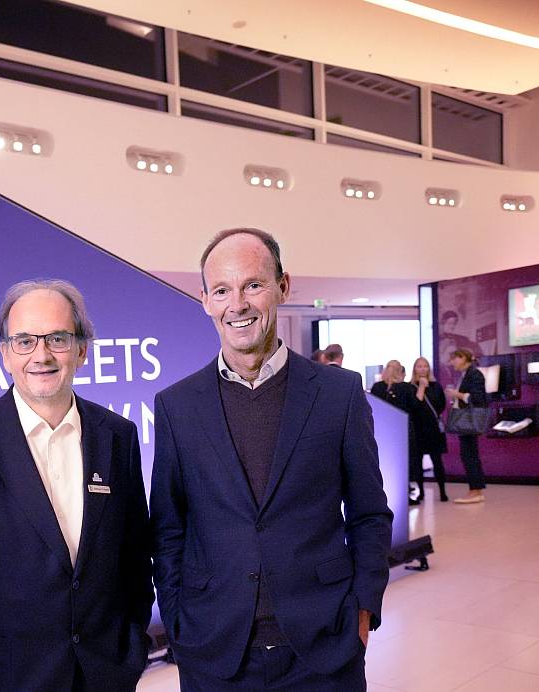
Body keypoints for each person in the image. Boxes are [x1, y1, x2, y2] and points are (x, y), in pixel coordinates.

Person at [150, 228, 392, 691]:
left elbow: (369, 513)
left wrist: (364, 608)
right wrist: (178, 622)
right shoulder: (176, 406)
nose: (237, 304)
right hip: (216, 650)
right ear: (205, 300)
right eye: (222, 290)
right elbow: (168, 528)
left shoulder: (338, 394)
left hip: (323, 647)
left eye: (253, 285)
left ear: (283, 286)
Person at [0, 279, 153, 692]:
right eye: (24, 341)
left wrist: (129, 654)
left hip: (104, 679)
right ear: (5, 354)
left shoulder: (118, 436)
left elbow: (133, 561)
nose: (41, 355)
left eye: (57, 338)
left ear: (82, 350)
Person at [404, 357, 449, 504]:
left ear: (428, 369)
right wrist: (422, 387)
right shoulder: (410, 387)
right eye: (419, 366)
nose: (422, 369)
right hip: (417, 429)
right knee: (418, 463)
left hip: (433, 429)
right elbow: (415, 406)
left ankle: (443, 491)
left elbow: (441, 405)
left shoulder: (436, 386)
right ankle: (421, 492)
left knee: (437, 461)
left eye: (425, 366)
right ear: (414, 369)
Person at [446, 348, 488, 504]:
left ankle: (475, 491)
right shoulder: (467, 374)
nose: (452, 363)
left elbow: (477, 398)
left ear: (463, 358)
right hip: (466, 420)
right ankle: (475, 489)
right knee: (469, 455)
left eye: (454, 359)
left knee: (469, 455)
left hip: (469, 420)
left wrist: (456, 394)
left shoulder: (474, 374)